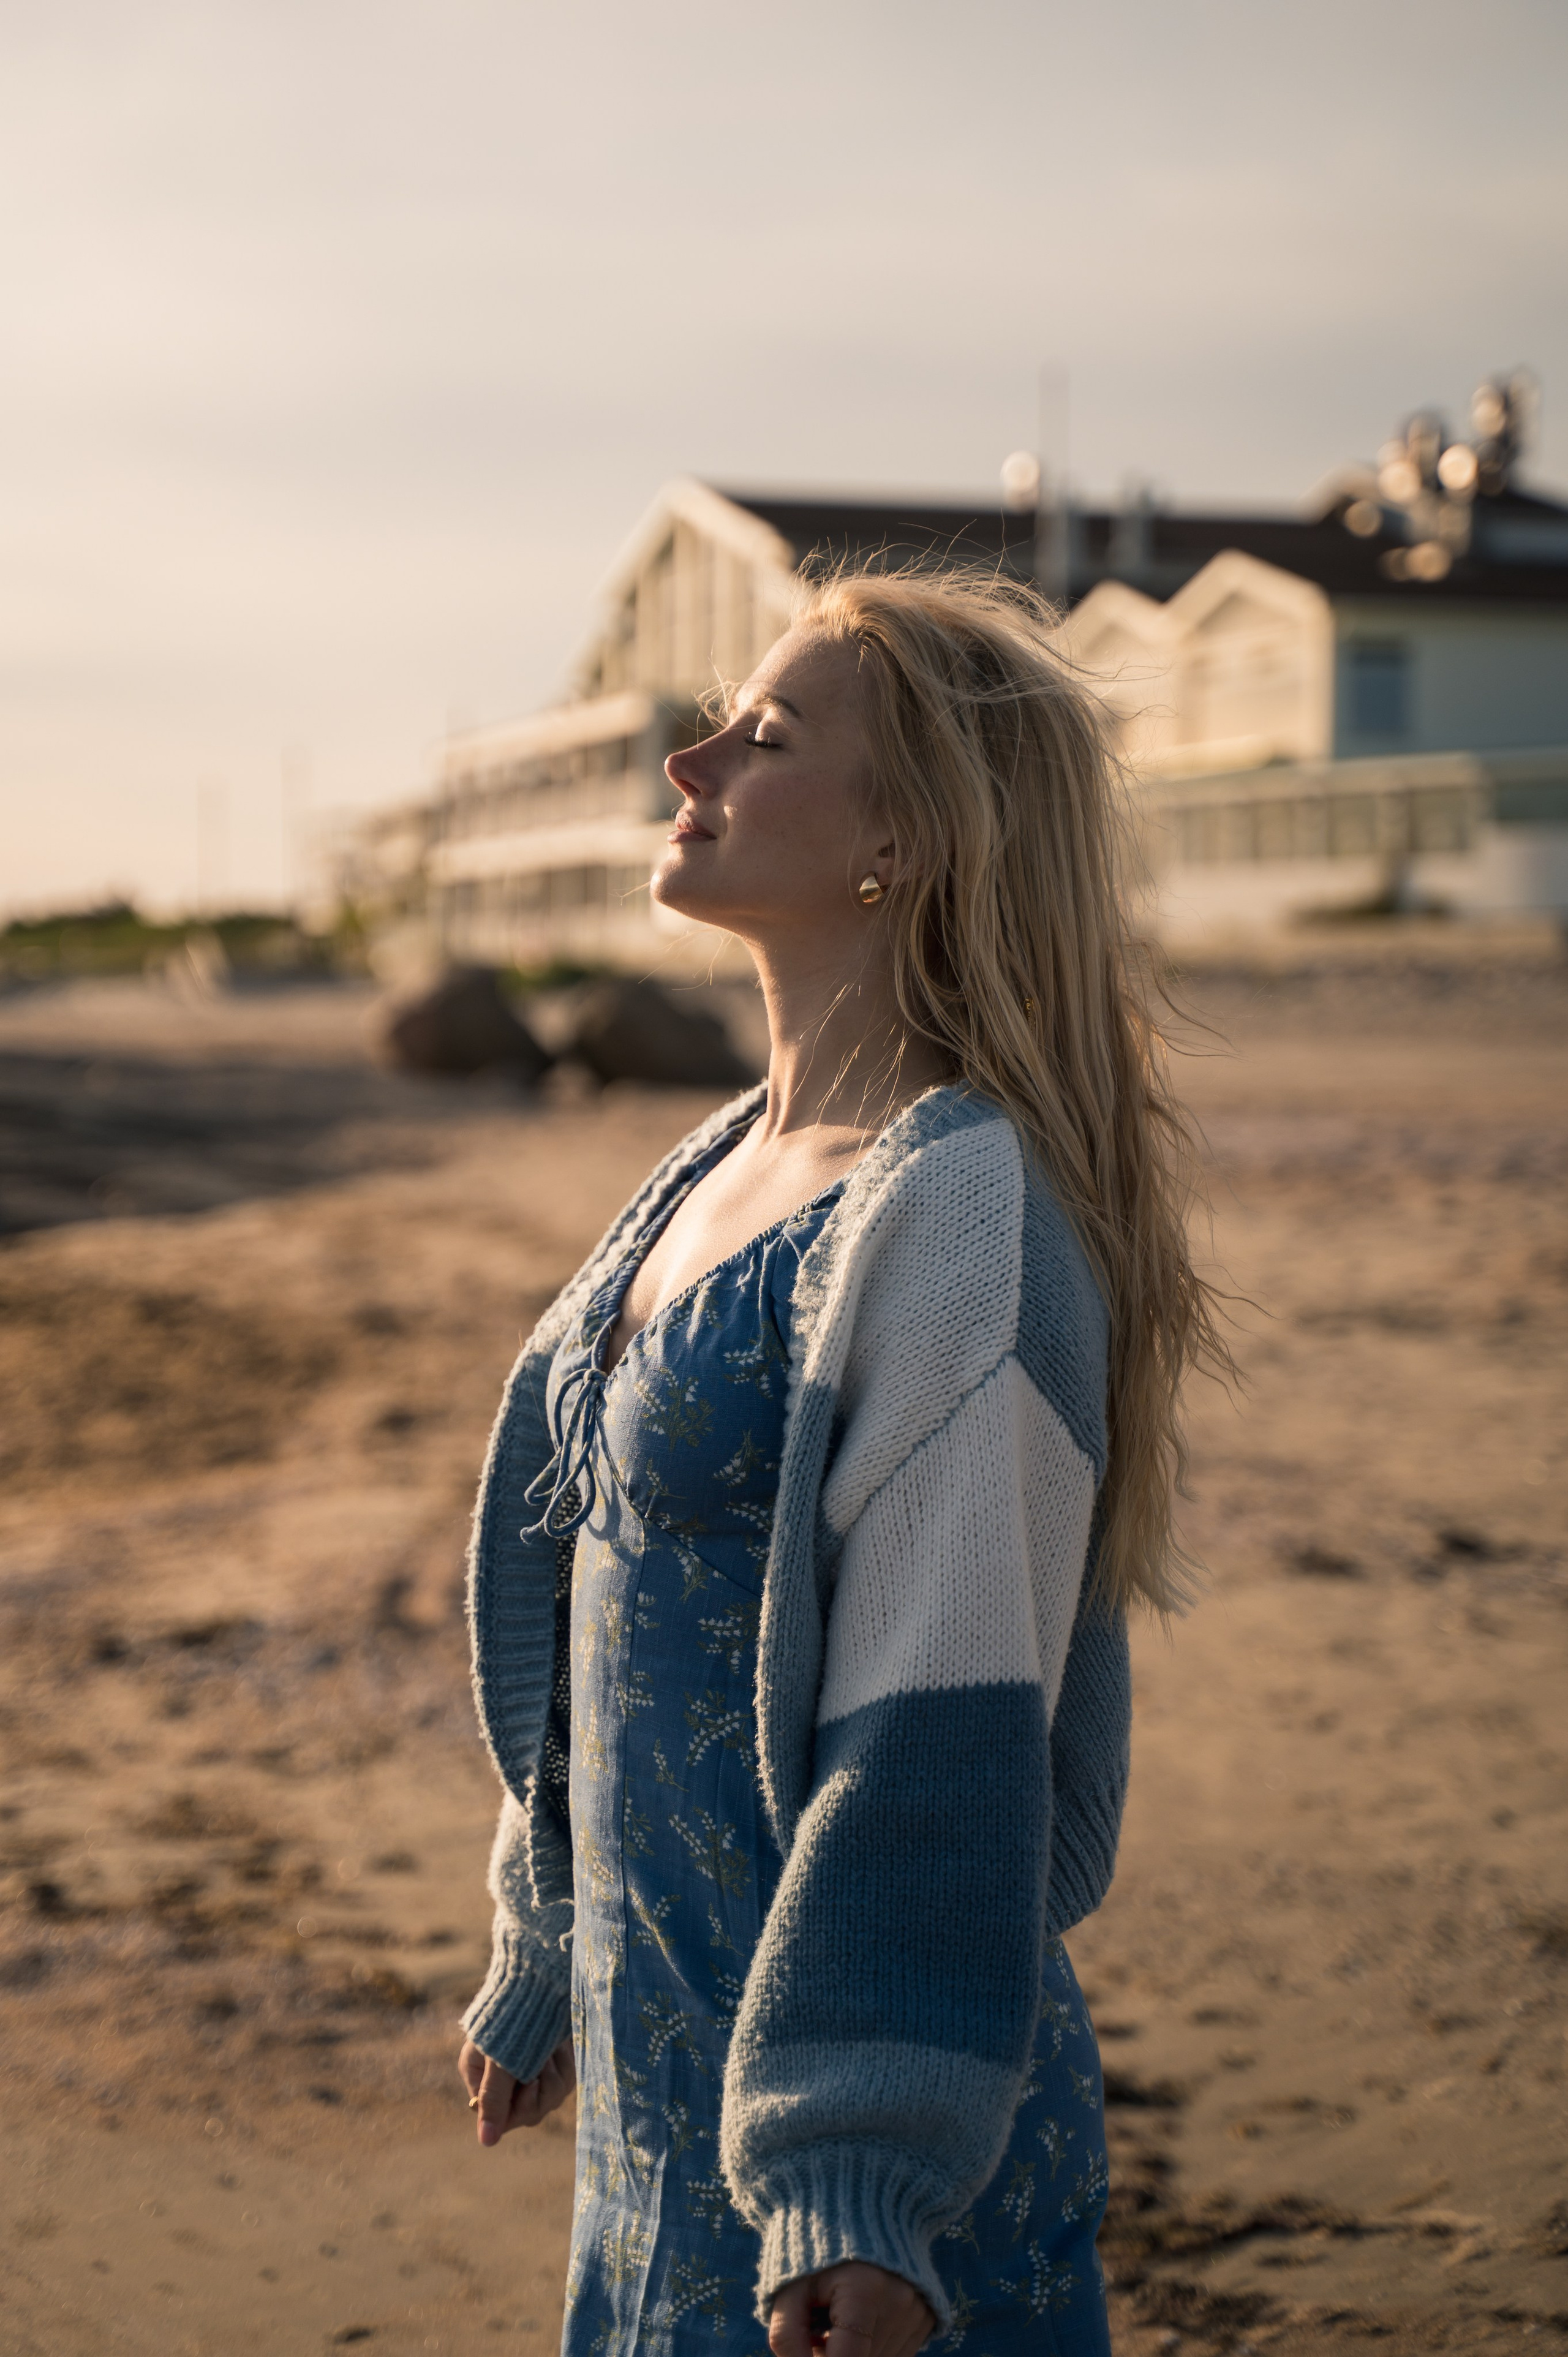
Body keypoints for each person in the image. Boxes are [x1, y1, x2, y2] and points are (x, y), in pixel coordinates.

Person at [457, 565, 1223, 2357]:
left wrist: (858, 2169)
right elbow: (609, 1606)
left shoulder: (956, 1211)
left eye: (768, 733)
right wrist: (542, 1930)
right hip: (673, 2111)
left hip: (861, 2198)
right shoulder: (720, 1163)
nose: (688, 754)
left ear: (908, 838)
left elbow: (939, 1741)